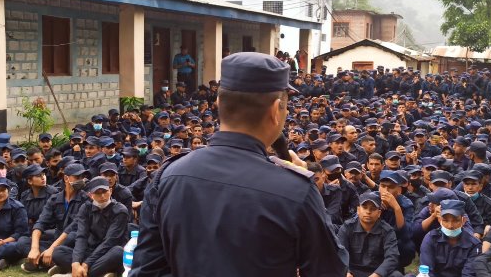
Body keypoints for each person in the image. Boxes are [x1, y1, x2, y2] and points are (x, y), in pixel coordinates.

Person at [130, 52, 348, 276]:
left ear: (217, 103)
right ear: (275, 110)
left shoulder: (168, 176)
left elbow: (147, 269)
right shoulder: (296, 190)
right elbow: (329, 269)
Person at [49, 177, 129, 277]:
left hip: (108, 252)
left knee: (118, 252)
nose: (103, 196)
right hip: (90, 251)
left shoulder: (120, 210)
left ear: (111, 191)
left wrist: (87, 263)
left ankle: (73, 273)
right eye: (98, 193)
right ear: (91, 195)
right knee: (58, 252)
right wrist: (76, 262)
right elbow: (81, 236)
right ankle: (92, 272)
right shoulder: (86, 208)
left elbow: (110, 242)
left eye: (105, 191)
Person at [337, 191, 403, 277]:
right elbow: (340, 253)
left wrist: (377, 274)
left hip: (376, 272)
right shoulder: (347, 228)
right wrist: (347, 272)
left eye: (373, 208)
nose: (368, 212)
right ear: (358, 210)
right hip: (352, 272)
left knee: (397, 275)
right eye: (364, 207)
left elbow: (392, 257)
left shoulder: (387, 231)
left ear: (379, 213)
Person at [419, 199, 481, 277]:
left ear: (463, 221)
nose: (450, 226)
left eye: (455, 221)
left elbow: (468, 274)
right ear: (440, 220)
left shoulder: (474, 244)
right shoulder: (431, 238)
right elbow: (427, 271)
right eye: (445, 220)